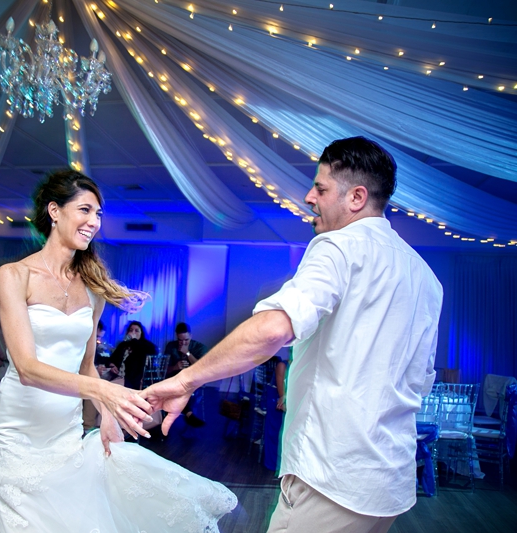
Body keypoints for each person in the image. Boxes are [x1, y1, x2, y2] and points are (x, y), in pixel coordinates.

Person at [0, 169, 236, 533]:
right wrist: (106, 392)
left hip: (64, 431)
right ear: (54, 211)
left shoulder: (94, 288)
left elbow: (87, 367)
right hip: (16, 429)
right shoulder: (14, 276)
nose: (94, 222)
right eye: (85, 210)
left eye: (98, 214)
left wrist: (107, 415)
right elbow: (28, 368)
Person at [142, 137, 442, 533]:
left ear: (356, 197)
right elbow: (420, 382)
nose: (309, 197)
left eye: (320, 188)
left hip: (333, 477)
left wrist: (186, 380)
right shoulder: (425, 276)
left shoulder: (338, 246)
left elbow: (272, 330)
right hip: (389, 481)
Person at [164, 322, 207, 427]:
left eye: (186, 340)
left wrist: (187, 353)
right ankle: (188, 413)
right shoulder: (171, 346)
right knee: (175, 386)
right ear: (176, 337)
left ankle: (186, 413)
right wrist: (175, 367)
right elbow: (163, 370)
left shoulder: (200, 347)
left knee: (182, 386)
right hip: (173, 380)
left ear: (191, 336)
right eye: (180, 340)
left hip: (192, 380)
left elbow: (202, 368)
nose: (183, 343)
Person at [109, 321, 158, 390]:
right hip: (117, 375)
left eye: (136, 331)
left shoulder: (145, 345)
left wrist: (134, 340)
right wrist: (111, 365)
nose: (133, 332)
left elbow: (154, 351)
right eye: (131, 330)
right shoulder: (123, 345)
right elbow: (111, 358)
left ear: (141, 333)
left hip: (132, 380)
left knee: (110, 387)